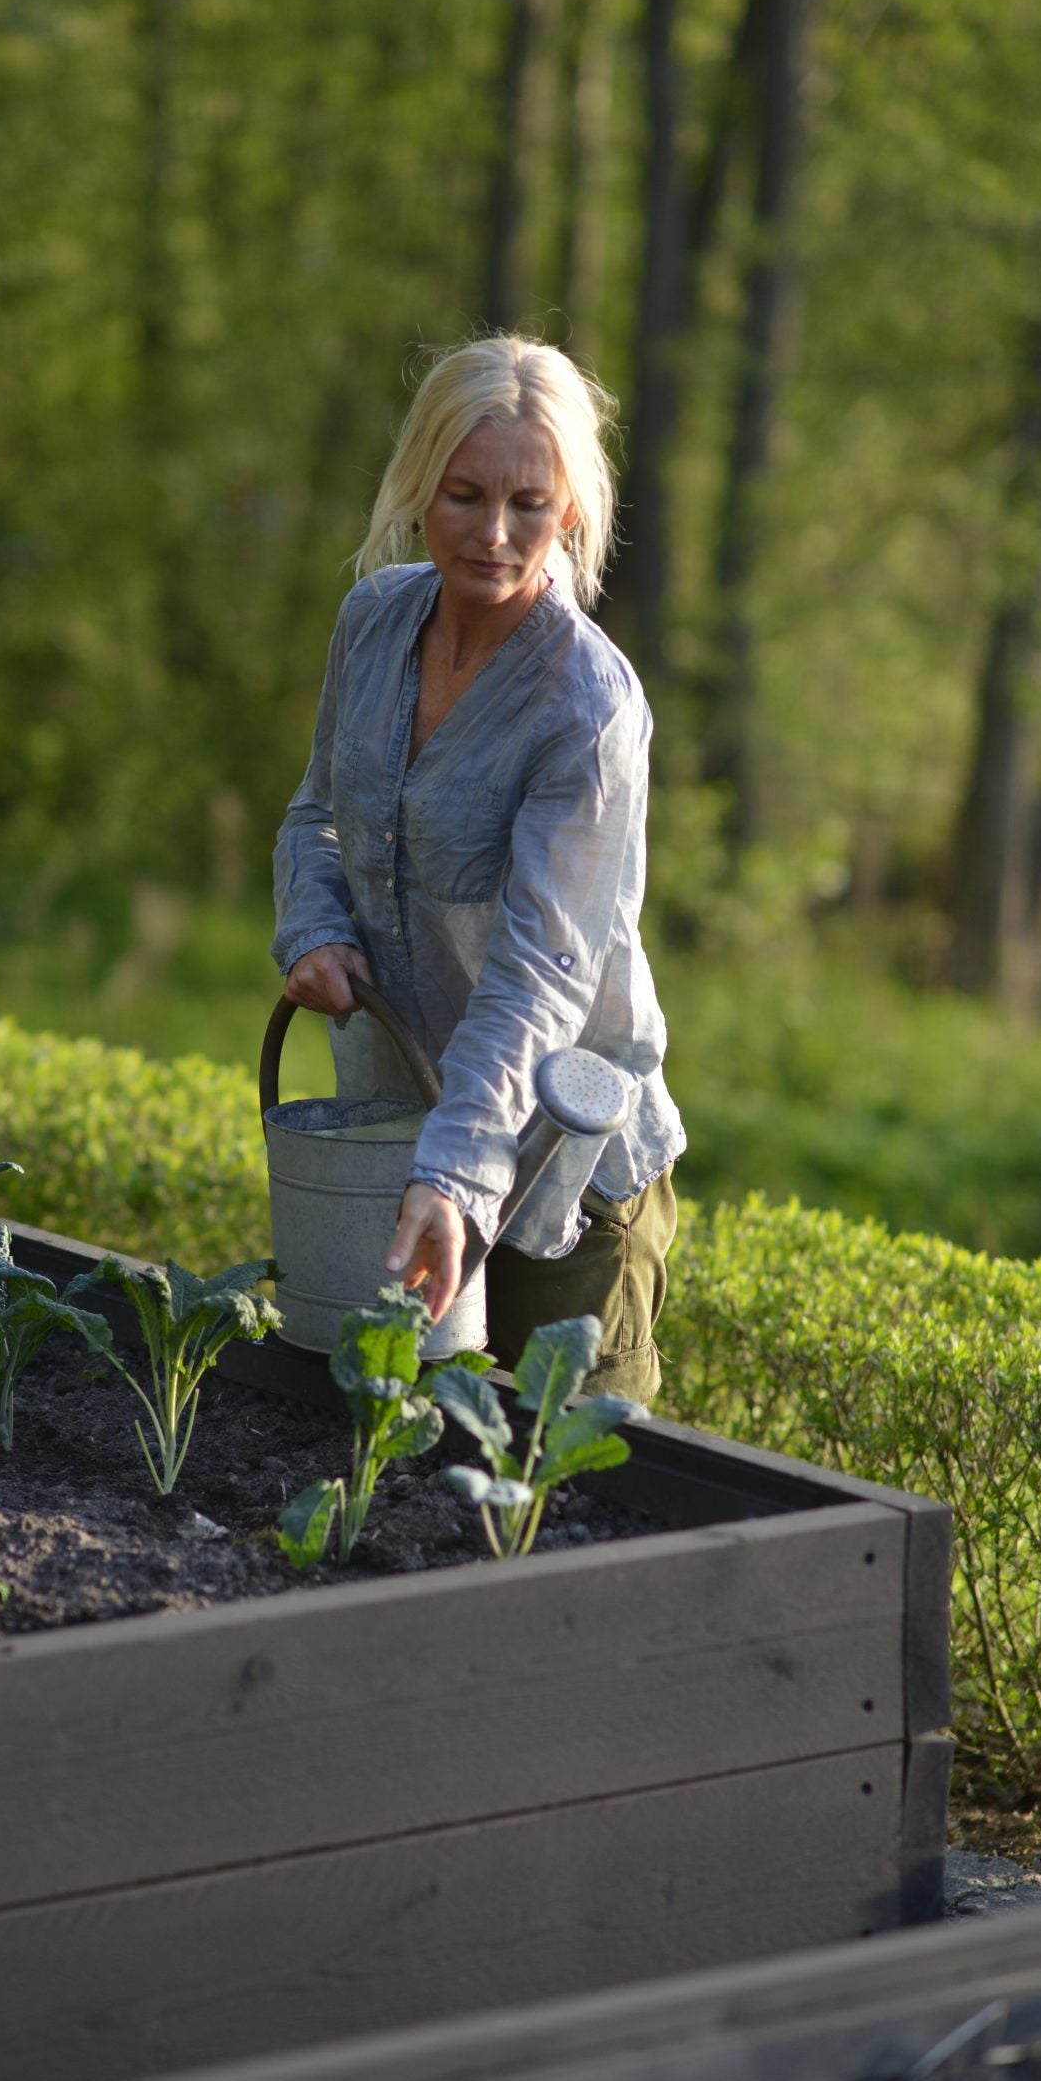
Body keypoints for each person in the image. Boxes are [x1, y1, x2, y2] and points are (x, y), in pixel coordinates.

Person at [270, 334, 685, 1401]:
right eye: (462, 495)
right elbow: (315, 812)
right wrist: (311, 926)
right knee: (395, 1482)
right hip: (395, 1143)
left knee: (565, 1505)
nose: (493, 534)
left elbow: (540, 975)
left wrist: (456, 1173)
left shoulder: (585, 708)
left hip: (558, 1179)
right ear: (417, 485)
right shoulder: (371, 623)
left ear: (571, 515)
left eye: (528, 505)